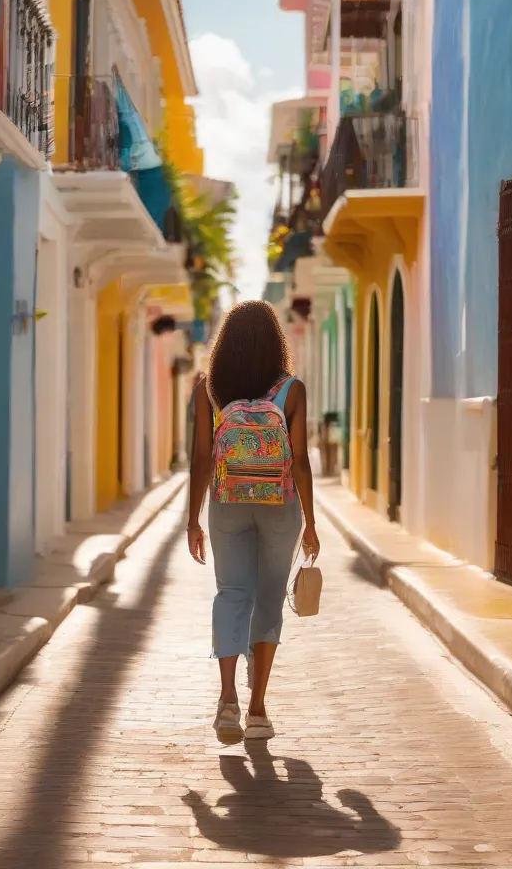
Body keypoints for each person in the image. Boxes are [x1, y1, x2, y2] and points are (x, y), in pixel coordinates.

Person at [187, 300, 319, 743]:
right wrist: (313, 522)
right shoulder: (292, 391)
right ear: (274, 344)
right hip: (280, 504)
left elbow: (201, 460)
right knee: (267, 598)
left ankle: (227, 701)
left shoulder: (208, 389)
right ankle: (258, 710)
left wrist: (193, 520)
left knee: (231, 593)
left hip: (226, 501)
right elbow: (300, 461)